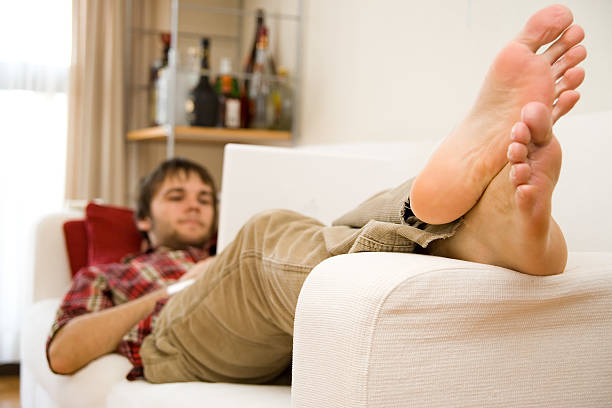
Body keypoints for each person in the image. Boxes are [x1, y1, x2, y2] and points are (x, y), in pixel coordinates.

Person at [48, 4, 586, 385]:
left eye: (204, 197)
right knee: (265, 237)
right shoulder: (109, 274)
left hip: (270, 317)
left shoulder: (218, 250)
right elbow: (62, 353)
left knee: (354, 218)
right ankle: (451, 217)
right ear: (142, 221)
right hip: (175, 334)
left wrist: (211, 265)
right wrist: (174, 290)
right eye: (176, 196)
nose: (194, 204)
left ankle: (479, 228)